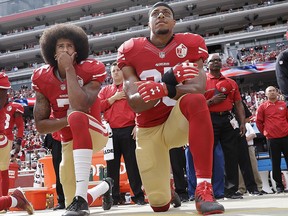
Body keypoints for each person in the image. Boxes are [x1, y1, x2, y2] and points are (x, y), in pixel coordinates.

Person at [117, 2, 224, 215]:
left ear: (174, 22)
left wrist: (164, 87)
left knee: (195, 100)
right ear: (148, 23)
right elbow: (135, 102)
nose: (161, 15)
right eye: (155, 13)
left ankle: (204, 188)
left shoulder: (190, 44)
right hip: (149, 129)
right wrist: (168, 82)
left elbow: (199, 88)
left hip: (178, 121)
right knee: (159, 205)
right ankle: (167, 189)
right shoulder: (131, 49)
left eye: (166, 13)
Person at [31, 23, 113, 216]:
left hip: (94, 132)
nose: (65, 50)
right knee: (71, 205)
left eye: (70, 46)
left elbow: (81, 105)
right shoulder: (42, 77)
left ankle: (82, 199)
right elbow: (41, 125)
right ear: (52, 51)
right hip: (68, 138)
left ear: (77, 51)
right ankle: (103, 188)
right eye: (61, 46)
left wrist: (69, 70)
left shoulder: (90, 68)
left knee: (76, 115)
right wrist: (66, 121)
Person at [98, 62, 145, 205]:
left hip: (128, 129)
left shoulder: (130, 87)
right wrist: (114, 98)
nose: (116, 72)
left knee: (132, 165)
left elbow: (139, 105)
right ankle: (114, 197)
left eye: (118, 70)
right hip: (110, 133)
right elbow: (97, 106)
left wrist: (138, 124)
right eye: (113, 71)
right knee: (111, 167)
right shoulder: (105, 90)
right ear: (110, 74)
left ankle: (138, 196)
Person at [205, 53, 246, 199]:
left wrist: (242, 122)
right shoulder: (202, 81)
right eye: (212, 61)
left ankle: (231, 190)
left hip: (228, 120)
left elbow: (238, 103)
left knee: (231, 155)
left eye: (218, 60)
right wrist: (211, 101)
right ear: (207, 64)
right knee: (209, 157)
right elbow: (195, 104)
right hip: (209, 120)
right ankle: (208, 190)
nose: (216, 62)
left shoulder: (231, 82)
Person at [256, 86, 288, 193]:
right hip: (272, 139)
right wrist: (266, 132)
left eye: (274, 90)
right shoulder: (262, 107)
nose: (272, 92)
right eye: (270, 91)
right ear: (266, 94)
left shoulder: (284, 105)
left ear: (277, 92)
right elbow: (259, 122)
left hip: (285, 137)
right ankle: (279, 186)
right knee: (275, 163)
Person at [43, 132, 65, 210]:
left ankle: (72, 198)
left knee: (66, 171)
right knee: (59, 172)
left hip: (67, 135)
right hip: (57, 138)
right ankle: (62, 200)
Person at [0, 73, 12, 198]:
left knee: (4, 172)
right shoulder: (6, 105)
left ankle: (4, 202)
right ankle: (4, 202)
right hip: (3, 138)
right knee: (4, 172)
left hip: (2, 136)